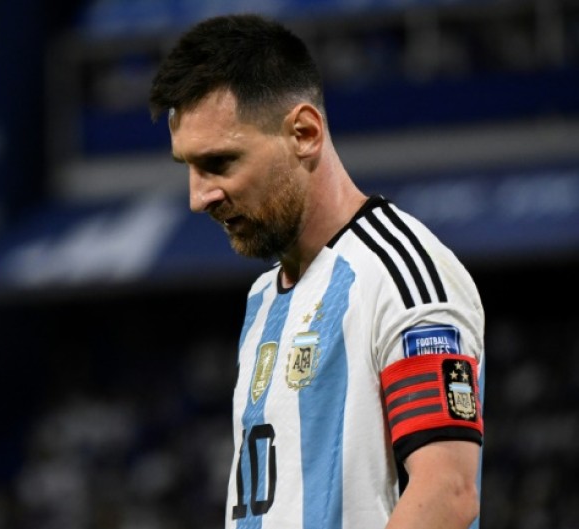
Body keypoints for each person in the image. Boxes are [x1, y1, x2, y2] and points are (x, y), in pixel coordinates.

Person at [148, 14, 485, 529]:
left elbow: (447, 493)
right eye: (188, 168)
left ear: (304, 133)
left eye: (219, 163)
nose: (199, 197)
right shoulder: (265, 296)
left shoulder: (399, 272)